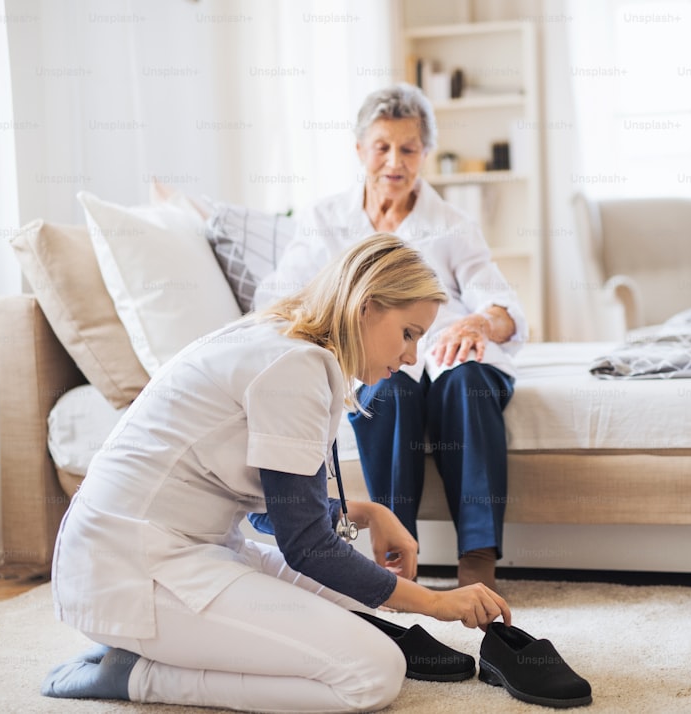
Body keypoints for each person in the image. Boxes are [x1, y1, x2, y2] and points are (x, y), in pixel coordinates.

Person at [42, 234, 511, 713]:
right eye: (409, 333)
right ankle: (136, 674)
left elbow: (271, 512)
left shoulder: (285, 341)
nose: (413, 356)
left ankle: (158, 647)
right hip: (132, 571)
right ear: (366, 307)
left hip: (188, 551)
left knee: (359, 598)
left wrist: (368, 513)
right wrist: (435, 602)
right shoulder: (297, 366)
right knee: (372, 674)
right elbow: (306, 545)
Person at [255, 83, 527, 590]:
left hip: (447, 351)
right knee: (389, 393)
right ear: (361, 150)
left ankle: (478, 564)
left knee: (466, 383)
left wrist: (480, 322)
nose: (394, 162)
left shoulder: (451, 223)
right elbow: (281, 296)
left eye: (408, 148)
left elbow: (503, 304)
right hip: (375, 358)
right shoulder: (325, 219)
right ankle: (398, 559)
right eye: (382, 147)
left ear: (425, 153)